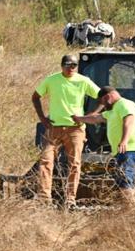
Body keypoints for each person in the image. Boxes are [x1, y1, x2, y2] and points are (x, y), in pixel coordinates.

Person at [30, 52, 100, 207]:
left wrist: (92, 115)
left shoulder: (83, 81)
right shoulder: (52, 80)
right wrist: (42, 118)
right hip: (54, 128)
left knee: (74, 163)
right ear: (62, 66)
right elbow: (35, 97)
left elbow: (102, 96)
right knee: (46, 161)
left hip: (75, 130)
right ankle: (44, 198)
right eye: (68, 65)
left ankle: (70, 199)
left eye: (74, 65)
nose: (71, 68)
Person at [73, 86, 135, 204]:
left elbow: (129, 120)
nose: (103, 105)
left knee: (125, 181)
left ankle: (130, 210)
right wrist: (78, 118)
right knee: (124, 181)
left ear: (108, 97)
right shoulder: (113, 110)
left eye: (102, 102)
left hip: (131, 150)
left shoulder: (124, 104)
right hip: (123, 151)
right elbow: (95, 118)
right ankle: (129, 208)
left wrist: (124, 141)